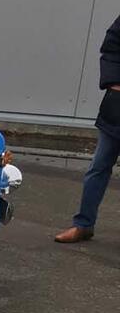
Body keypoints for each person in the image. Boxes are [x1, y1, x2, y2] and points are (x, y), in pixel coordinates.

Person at [55, 13, 120, 243]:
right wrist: (114, 82)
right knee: (98, 167)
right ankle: (83, 225)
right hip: (117, 109)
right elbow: (111, 47)